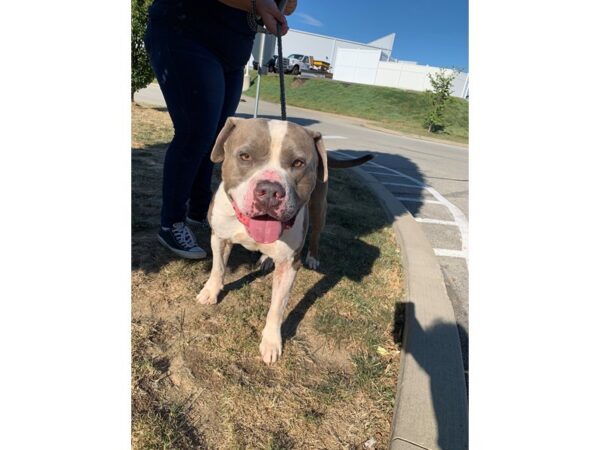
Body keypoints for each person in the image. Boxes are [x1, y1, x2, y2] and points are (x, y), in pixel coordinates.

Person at [144, 0, 297, 259]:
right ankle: (171, 223)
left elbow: (289, 6)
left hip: (233, 52)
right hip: (186, 31)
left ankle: (200, 212)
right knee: (195, 132)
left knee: (217, 139)